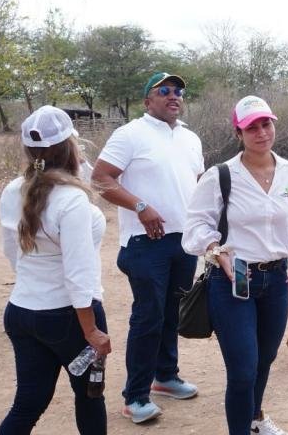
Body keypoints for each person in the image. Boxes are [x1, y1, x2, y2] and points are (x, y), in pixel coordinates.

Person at [183, 95, 288, 435]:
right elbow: (195, 227)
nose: (261, 132)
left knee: (264, 360)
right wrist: (217, 250)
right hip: (234, 278)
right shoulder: (221, 175)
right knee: (242, 370)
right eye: (252, 127)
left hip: (276, 278)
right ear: (239, 133)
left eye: (266, 124)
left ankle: (254, 418)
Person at [91, 72, 204, 423]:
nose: (174, 96)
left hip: (183, 240)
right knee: (149, 316)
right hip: (146, 242)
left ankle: (165, 377)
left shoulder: (190, 138)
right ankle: (135, 396)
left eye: (179, 91)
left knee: (173, 311)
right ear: (147, 101)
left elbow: (197, 185)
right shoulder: (130, 134)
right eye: (165, 90)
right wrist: (140, 207)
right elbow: (100, 178)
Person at [0, 106, 111, 434]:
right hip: (70, 317)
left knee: (28, 403)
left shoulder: (13, 189)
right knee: (90, 398)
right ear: (71, 146)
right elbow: (79, 272)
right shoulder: (72, 200)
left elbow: (11, 249)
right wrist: (91, 331)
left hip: (22, 310)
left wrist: (33, 283)